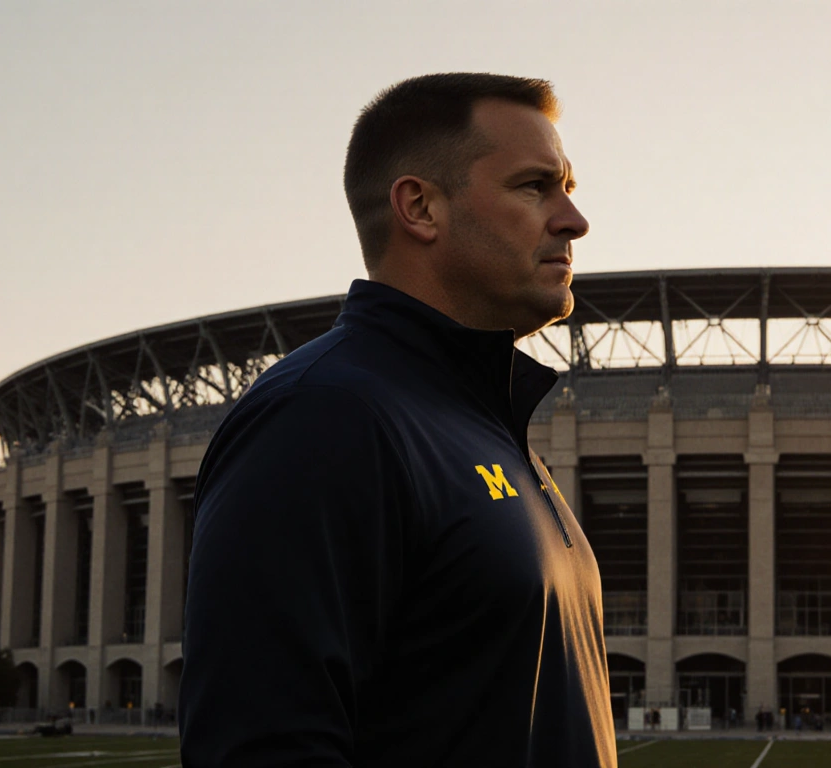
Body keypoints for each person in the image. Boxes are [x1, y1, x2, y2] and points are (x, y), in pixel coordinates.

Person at [178, 73, 609, 767]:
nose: (573, 220)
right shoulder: (325, 416)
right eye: (535, 187)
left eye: (568, 188)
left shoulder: (485, 422)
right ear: (420, 207)